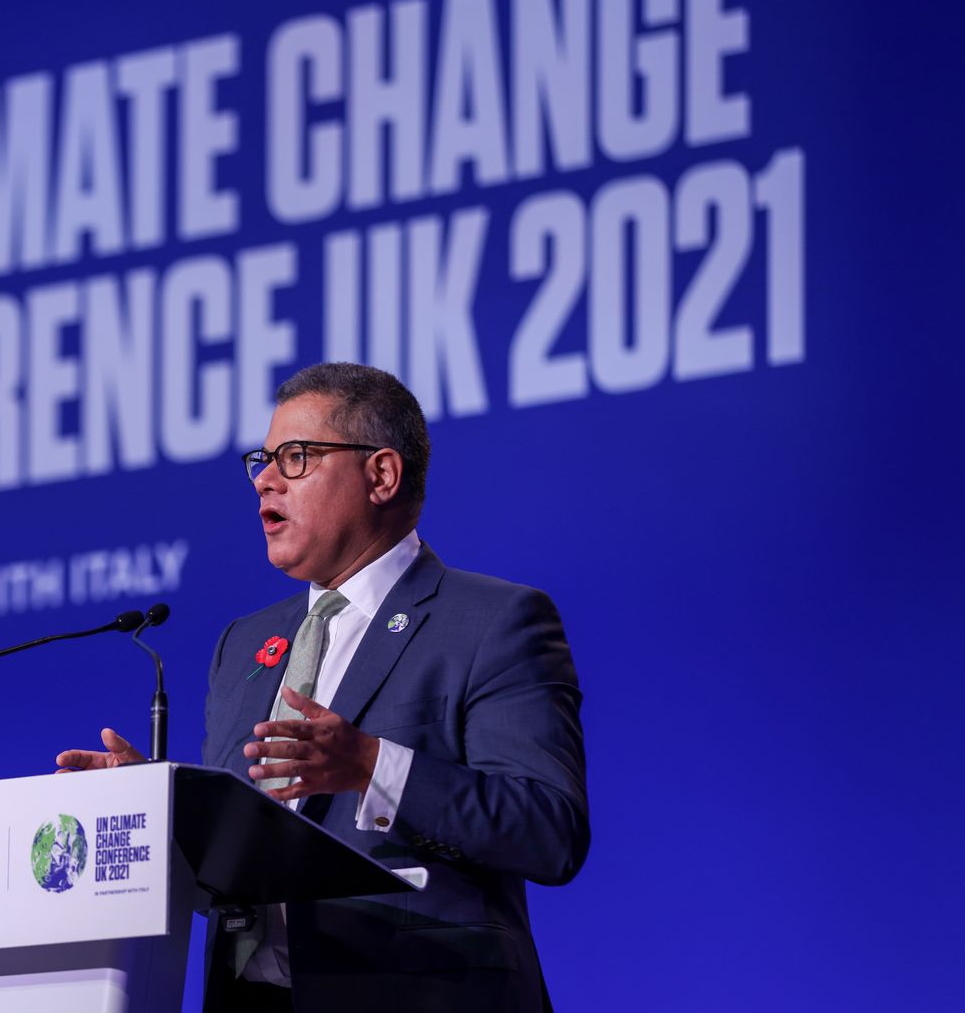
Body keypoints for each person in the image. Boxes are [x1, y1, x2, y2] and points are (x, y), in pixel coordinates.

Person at [57, 362, 589, 1012]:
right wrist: (158, 808)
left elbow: (549, 831)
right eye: (263, 460)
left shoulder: (491, 621)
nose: (264, 479)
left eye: (296, 457)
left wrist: (373, 767)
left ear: (381, 475)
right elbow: (238, 862)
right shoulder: (244, 645)